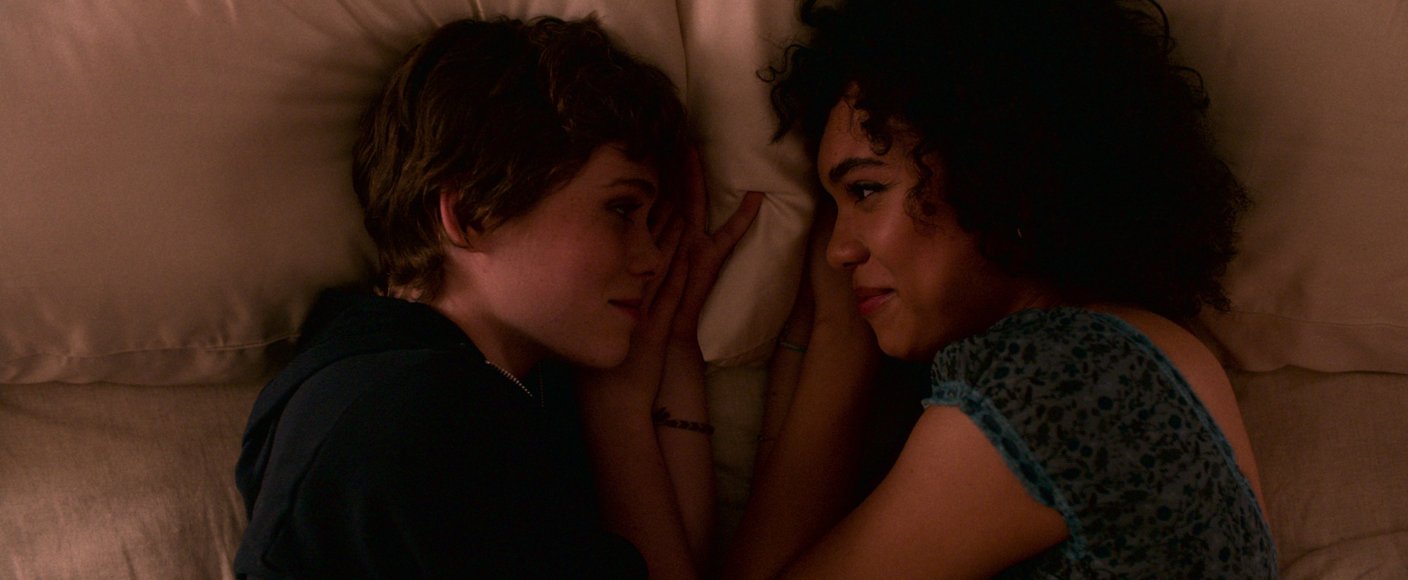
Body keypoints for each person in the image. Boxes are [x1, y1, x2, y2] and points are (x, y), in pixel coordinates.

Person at [724, 0, 1278, 577]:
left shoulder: (1062, 377)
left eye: (865, 191)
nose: (838, 250)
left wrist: (838, 334)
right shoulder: (1155, 352)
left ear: (997, 167)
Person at [233, 16, 761, 578]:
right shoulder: (415, 416)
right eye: (622, 210)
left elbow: (672, 563)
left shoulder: (490, 385)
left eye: (652, 224)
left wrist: (658, 360)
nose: (652, 257)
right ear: (471, 214)